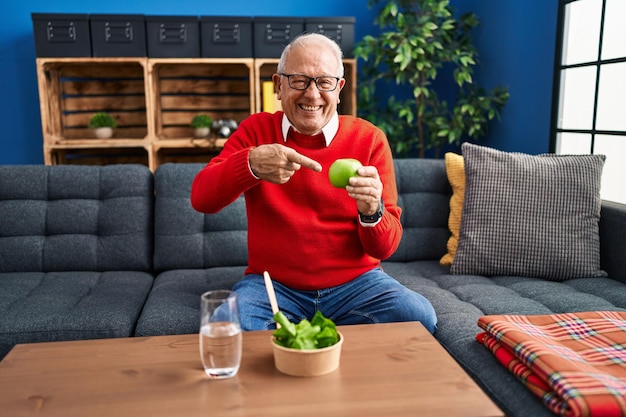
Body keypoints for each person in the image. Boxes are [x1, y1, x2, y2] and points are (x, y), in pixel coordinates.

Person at [190, 33, 437, 333]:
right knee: (225, 326)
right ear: (278, 86)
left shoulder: (369, 139)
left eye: (324, 82)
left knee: (419, 316)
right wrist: (251, 164)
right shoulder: (255, 131)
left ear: (339, 88)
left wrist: (372, 211)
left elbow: (385, 248)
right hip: (273, 288)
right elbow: (201, 198)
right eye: (299, 80)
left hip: (356, 286)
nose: (312, 94)